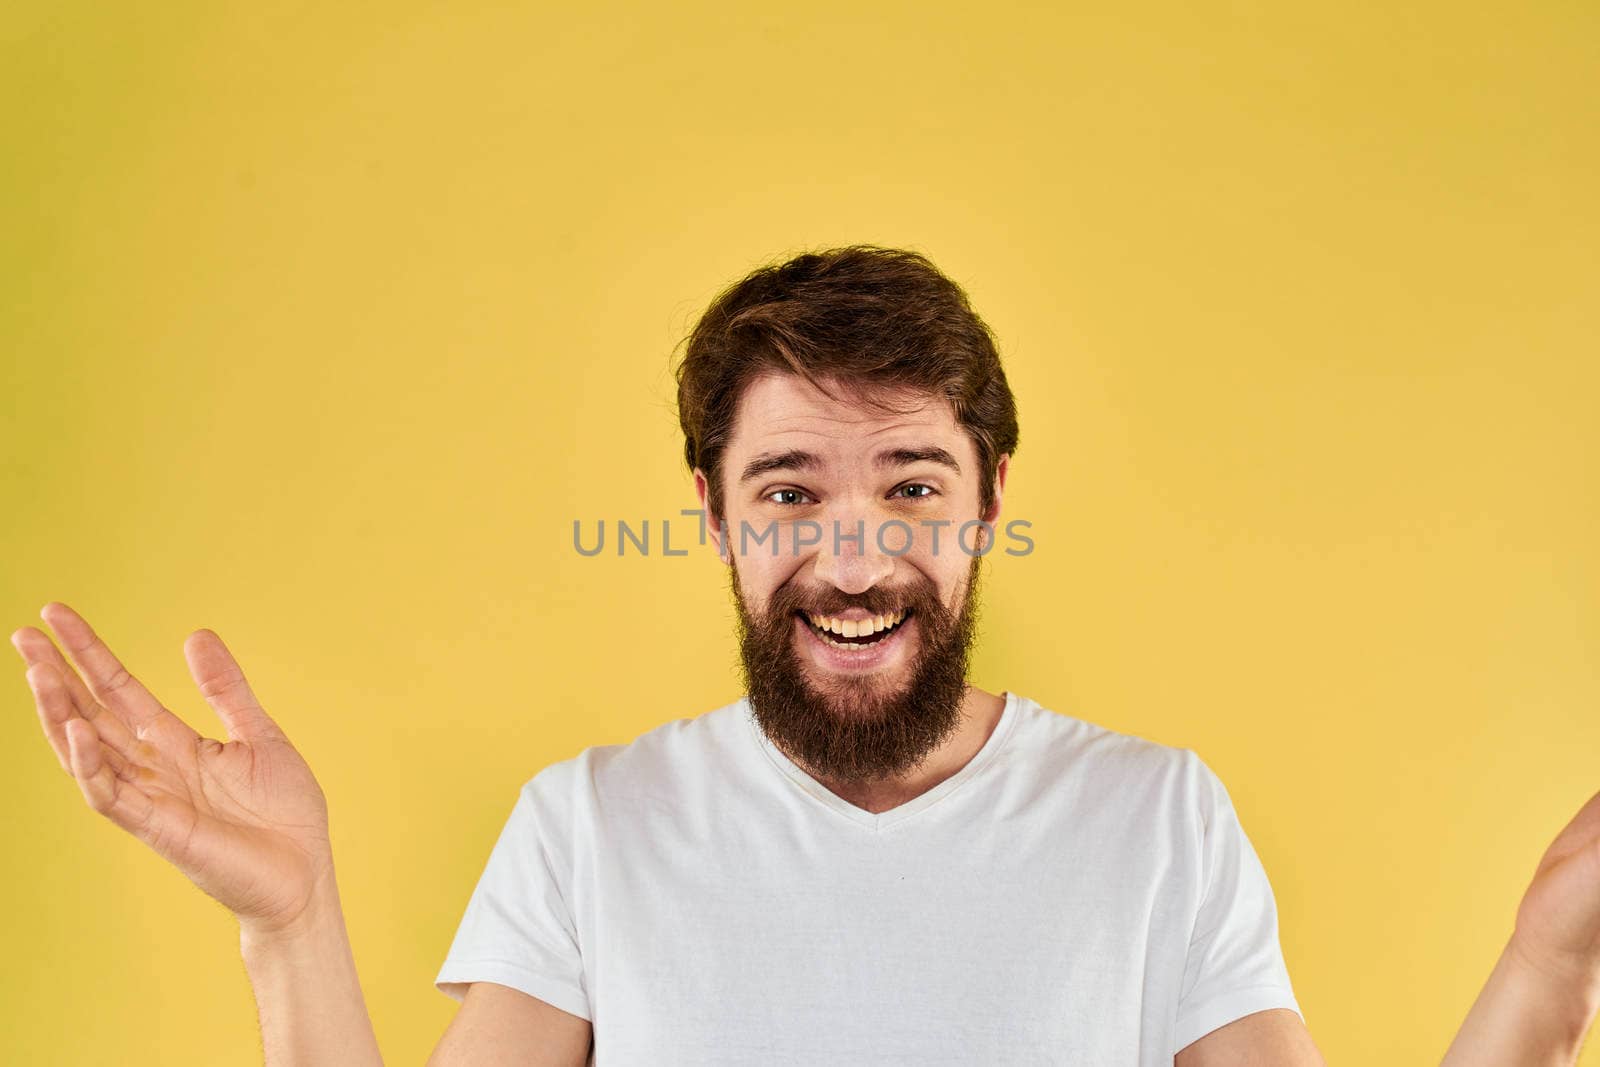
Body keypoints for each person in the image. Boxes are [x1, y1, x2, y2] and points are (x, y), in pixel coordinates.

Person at [13, 247, 1600, 1066]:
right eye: (791, 493)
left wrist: (1543, 972)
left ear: (990, 509)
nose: (851, 559)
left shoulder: (1157, 821)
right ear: (710, 514)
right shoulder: (590, 830)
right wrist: (292, 925)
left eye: (912, 485)